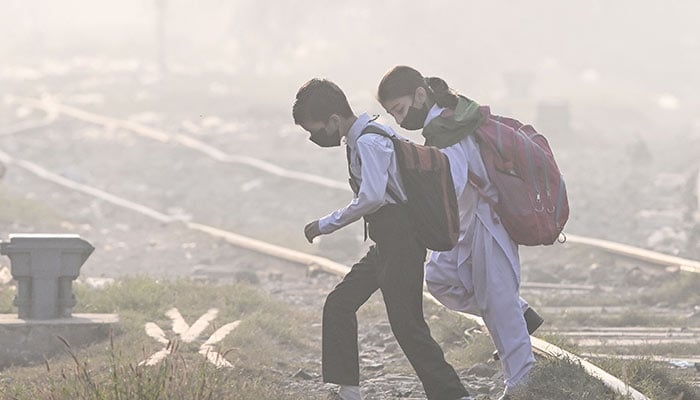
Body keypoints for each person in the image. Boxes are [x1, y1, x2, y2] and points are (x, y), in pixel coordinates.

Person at [292, 78, 472, 400]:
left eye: (316, 130)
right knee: (340, 304)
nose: (313, 138)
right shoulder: (364, 135)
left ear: (334, 121)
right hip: (387, 242)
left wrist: (326, 224)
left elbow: (372, 197)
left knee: (408, 326)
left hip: (401, 241)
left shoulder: (368, 142)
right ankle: (348, 391)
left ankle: (455, 395)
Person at [377, 66, 544, 400]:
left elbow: (450, 183)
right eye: (392, 113)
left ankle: (524, 384)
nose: (399, 118)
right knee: (441, 277)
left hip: (486, 221)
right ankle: (519, 315)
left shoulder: (445, 130)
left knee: (498, 300)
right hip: (466, 223)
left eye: (400, 109)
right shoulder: (443, 124)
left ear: (420, 95)